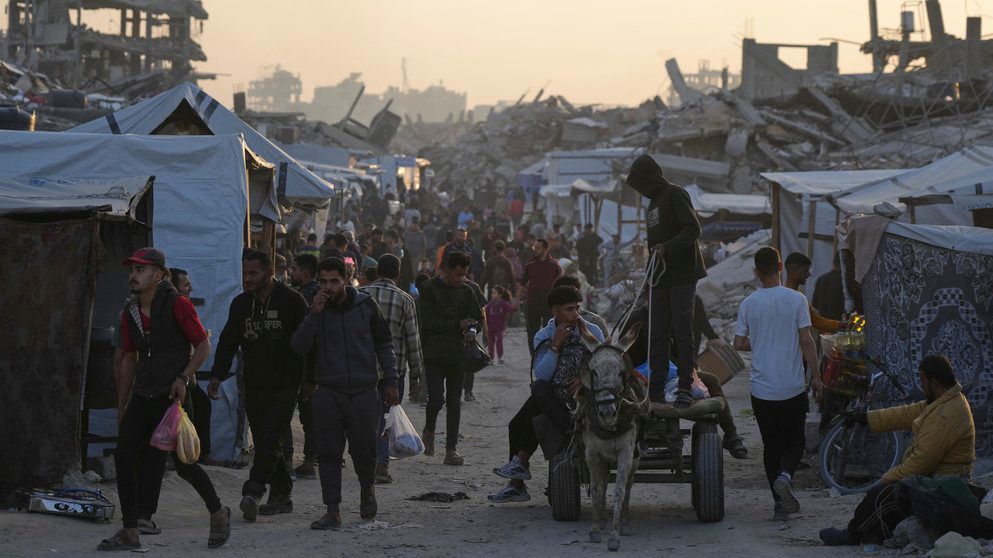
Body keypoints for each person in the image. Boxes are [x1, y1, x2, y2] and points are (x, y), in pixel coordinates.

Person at [98, 248, 229, 551]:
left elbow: (202, 346)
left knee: (185, 463)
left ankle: (218, 512)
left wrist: (183, 378)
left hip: (173, 396)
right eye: (132, 270)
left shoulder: (177, 304)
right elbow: (129, 360)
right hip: (144, 393)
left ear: (158, 275)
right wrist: (122, 406)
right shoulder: (130, 310)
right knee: (125, 456)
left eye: (140, 270)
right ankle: (131, 530)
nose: (133, 275)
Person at [819, 355, 976, 546]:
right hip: (935, 479)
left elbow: (922, 462)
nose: (921, 384)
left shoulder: (946, 414)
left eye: (922, 380)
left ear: (934, 382)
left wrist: (887, 479)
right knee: (890, 496)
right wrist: (865, 418)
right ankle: (876, 533)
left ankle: (853, 534)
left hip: (941, 487)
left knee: (882, 495)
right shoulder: (944, 401)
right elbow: (904, 413)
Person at [290, 256, 400, 530]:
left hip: (363, 392)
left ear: (345, 279)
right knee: (329, 453)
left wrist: (391, 380)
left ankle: (367, 491)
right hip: (328, 392)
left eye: (334, 281)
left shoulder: (365, 306)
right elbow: (299, 347)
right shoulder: (316, 309)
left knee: (364, 451)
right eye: (323, 282)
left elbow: (384, 343)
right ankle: (332, 510)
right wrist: (313, 314)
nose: (328, 287)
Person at [209, 250, 309, 522]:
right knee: (268, 438)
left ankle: (253, 492)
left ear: (269, 272)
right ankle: (282, 495)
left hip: (286, 382)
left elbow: (309, 343)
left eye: (253, 273)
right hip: (253, 382)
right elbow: (229, 339)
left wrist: (311, 381)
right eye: (244, 273)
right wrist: (217, 375)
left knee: (269, 436)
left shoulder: (292, 301)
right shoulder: (241, 304)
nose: (247, 278)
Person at [488, 286, 605, 503]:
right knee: (537, 392)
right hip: (554, 400)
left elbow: (605, 365)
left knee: (524, 417)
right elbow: (542, 374)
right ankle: (517, 481)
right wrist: (555, 344)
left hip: (585, 400)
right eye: (569, 309)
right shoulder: (543, 336)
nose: (576, 314)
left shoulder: (592, 331)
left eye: (577, 308)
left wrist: (584, 378)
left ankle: (518, 475)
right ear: (555, 311)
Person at [733, 246, 821, 521]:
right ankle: (786, 476)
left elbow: (738, 343)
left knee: (771, 445)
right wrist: (817, 377)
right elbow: (806, 341)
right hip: (791, 387)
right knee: (795, 441)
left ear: (756, 272)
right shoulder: (796, 300)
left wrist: (759, 341)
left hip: (762, 389)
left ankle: (779, 504)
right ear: (780, 266)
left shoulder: (749, 303)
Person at [626, 154, 708, 408]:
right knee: (656, 333)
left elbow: (693, 229)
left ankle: (685, 386)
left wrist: (668, 247)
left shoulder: (675, 194)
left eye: (639, 184)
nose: (640, 191)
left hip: (682, 274)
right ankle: (657, 390)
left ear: (648, 178)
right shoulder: (653, 205)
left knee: (682, 331)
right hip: (659, 278)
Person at [358, 254, 424, 485]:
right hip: (393, 371)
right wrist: (416, 375)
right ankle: (381, 465)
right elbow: (413, 340)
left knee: (365, 417)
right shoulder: (405, 299)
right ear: (398, 274)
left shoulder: (362, 295)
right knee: (386, 417)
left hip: (362, 368)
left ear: (377, 272)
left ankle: (366, 460)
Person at [417, 251, 484, 466]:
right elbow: (425, 322)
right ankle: (429, 430)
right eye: (457, 274)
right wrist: (457, 325)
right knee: (436, 399)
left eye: (463, 275)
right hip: (433, 354)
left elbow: (477, 319)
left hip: (458, 356)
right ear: (445, 269)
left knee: (455, 403)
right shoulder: (428, 290)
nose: (459, 279)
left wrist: (472, 329)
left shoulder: (467, 291)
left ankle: (451, 449)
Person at [285, 253, 321, 479]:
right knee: (308, 417)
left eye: (295, 269)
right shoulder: (307, 294)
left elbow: (312, 339)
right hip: (306, 367)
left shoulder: (307, 296)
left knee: (303, 414)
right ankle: (308, 459)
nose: (291, 272)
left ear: (305, 272)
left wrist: (311, 378)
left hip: (304, 366)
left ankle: (302, 461)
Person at [516, 239, 563, 357]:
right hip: (532, 304)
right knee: (532, 332)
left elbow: (561, 285)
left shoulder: (554, 266)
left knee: (549, 332)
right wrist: (516, 301)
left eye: (538, 248)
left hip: (549, 305)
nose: (535, 250)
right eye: (534, 248)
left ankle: (548, 356)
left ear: (545, 249)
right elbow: (522, 283)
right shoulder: (530, 265)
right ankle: (535, 357)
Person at [784, 252, 842, 334]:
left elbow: (815, 320)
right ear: (793, 270)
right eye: (805, 270)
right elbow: (815, 322)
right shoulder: (797, 298)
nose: (809, 274)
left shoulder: (794, 296)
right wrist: (841, 325)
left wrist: (840, 325)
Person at [484, 286, 515, 365]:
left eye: (494, 293)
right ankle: (491, 358)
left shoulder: (503, 303)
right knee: (490, 342)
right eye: (492, 293)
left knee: (499, 340)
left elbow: (511, 309)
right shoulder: (491, 304)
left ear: (500, 295)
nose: (492, 295)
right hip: (490, 327)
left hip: (500, 327)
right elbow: (485, 312)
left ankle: (500, 357)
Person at [812, 252, 846, 322]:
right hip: (840, 325)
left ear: (833, 262)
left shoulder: (821, 279)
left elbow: (815, 305)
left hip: (824, 325)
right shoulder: (844, 282)